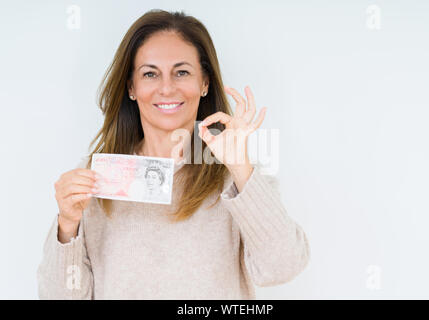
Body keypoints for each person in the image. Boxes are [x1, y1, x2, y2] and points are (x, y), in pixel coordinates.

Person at [37, 9, 310, 299]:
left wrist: (241, 169)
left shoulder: (233, 175)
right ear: (131, 87)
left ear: (204, 83)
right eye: (150, 74)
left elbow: (283, 267)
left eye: (182, 72)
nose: (166, 88)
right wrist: (67, 225)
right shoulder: (97, 177)